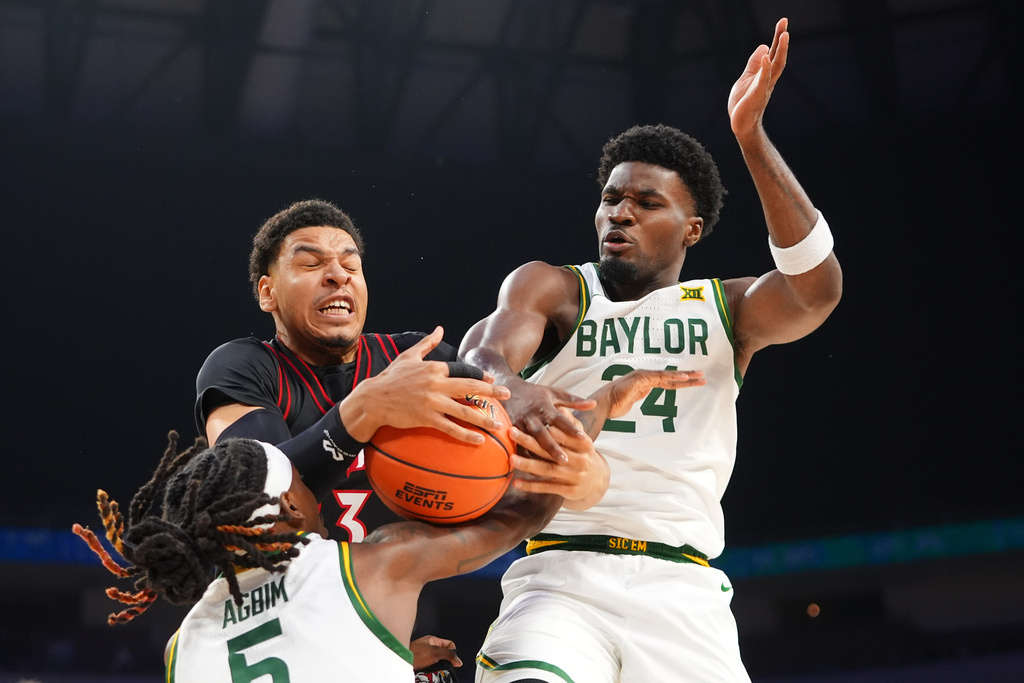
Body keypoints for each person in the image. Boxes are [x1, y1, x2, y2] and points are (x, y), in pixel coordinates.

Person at [460, 18, 843, 683]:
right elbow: (482, 359)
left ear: (691, 226)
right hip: (560, 571)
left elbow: (817, 288)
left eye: (645, 201)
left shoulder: (727, 308)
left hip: (682, 589)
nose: (620, 214)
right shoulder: (557, 287)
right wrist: (525, 394)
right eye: (610, 199)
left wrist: (751, 139)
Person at [193, 199, 614, 673]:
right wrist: (360, 414)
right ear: (267, 292)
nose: (338, 275)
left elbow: (514, 477)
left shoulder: (418, 361)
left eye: (351, 263)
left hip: (370, 632)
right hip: (268, 633)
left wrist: (587, 479)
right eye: (311, 263)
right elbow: (253, 497)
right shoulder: (244, 366)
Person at [75, 368, 700, 680]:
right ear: (291, 509)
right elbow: (524, 511)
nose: (314, 482)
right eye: (299, 477)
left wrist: (386, 659)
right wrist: (600, 413)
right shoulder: (372, 565)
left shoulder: (181, 647)